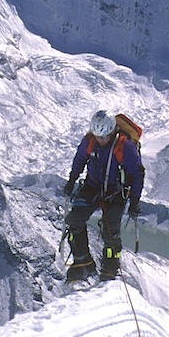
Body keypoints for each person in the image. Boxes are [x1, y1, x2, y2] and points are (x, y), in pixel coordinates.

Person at [62, 110, 144, 281]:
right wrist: (72, 180)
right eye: (98, 136)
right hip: (93, 186)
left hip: (115, 192)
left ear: (113, 130)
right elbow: (80, 159)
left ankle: (110, 269)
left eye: (104, 136)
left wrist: (134, 200)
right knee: (74, 220)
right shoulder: (90, 141)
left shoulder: (124, 147)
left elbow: (137, 174)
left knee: (110, 231)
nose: (101, 140)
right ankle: (83, 262)